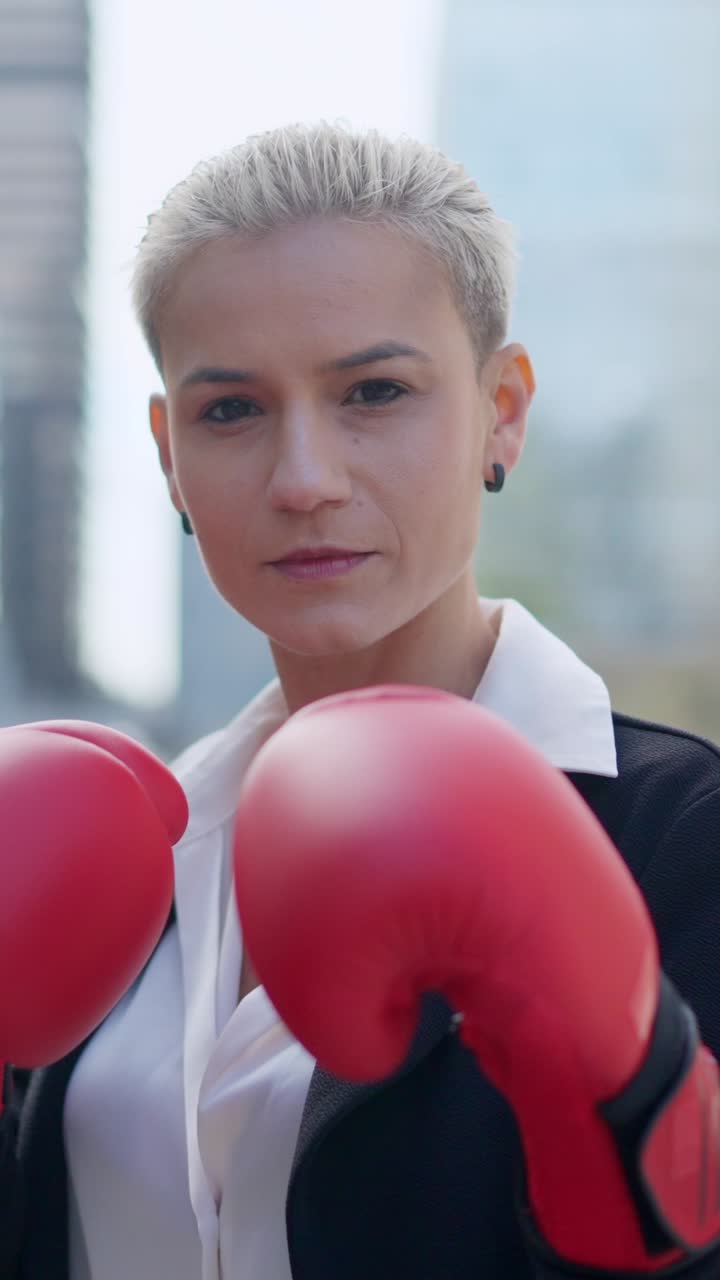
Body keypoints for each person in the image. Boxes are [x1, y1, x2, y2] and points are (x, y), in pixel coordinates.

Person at [2, 121, 720, 1280]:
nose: (303, 479)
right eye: (229, 409)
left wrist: (641, 1105)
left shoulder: (684, 841)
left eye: (374, 390)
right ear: (168, 454)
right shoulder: (120, 856)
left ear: (504, 409)